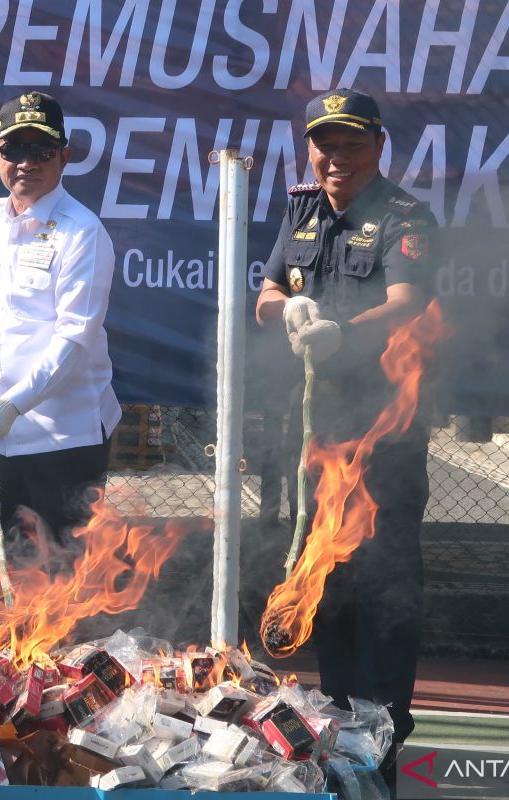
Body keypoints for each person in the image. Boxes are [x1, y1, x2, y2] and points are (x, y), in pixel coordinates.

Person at [255, 88, 436, 793]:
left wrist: (341, 333)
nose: (336, 156)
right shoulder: (301, 209)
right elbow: (268, 291)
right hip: (312, 437)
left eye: (351, 142)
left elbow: (407, 302)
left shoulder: (404, 217)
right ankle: (333, 736)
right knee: (323, 586)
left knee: (385, 592)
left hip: (383, 437)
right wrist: (290, 310)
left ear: (378, 146)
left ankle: (383, 744)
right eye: (324, 143)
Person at [0, 91, 121, 547]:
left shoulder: (82, 231)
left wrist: (13, 405)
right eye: (15, 149)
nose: (27, 162)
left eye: (41, 149)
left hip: (64, 441)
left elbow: (75, 339)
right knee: (4, 572)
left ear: (64, 157)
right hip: (0, 437)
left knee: (62, 590)